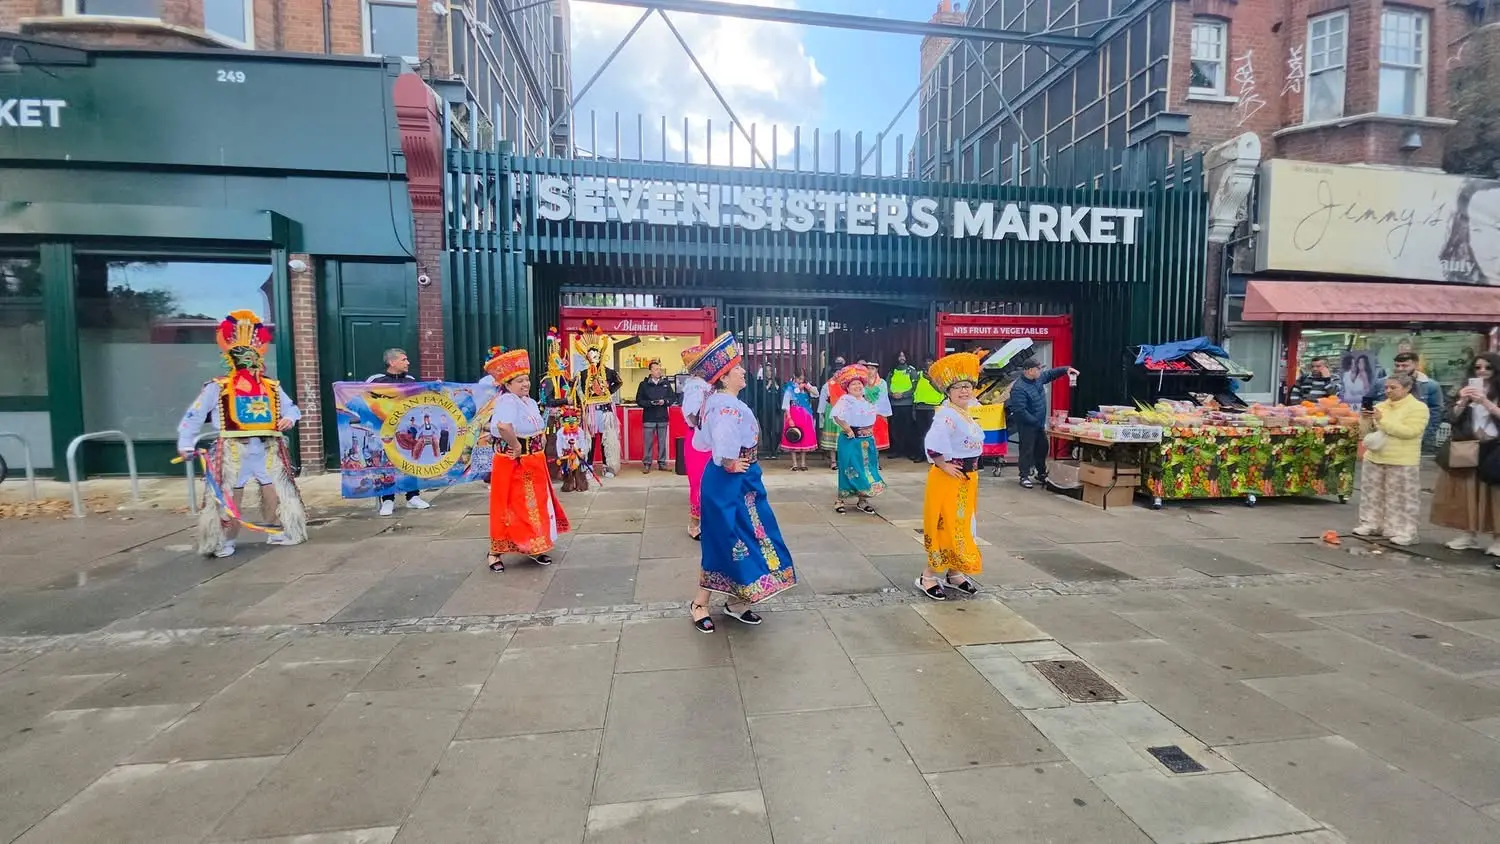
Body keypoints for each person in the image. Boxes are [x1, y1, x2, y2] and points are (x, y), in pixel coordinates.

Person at [686, 332, 797, 632]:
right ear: (723, 377)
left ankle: (737, 601)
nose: (743, 371)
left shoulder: (722, 401)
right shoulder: (725, 406)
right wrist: (728, 461)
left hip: (740, 479)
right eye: (737, 368)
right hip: (729, 480)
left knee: (748, 538)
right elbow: (719, 443)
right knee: (724, 540)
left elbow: (700, 441)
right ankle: (700, 603)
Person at [177, 309, 307, 558]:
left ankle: (275, 530)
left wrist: (289, 419)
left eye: (253, 359)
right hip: (233, 450)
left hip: (268, 447)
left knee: (274, 489)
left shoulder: (271, 387)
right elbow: (194, 416)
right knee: (229, 494)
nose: (250, 364)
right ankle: (225, 539)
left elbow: (291, 408)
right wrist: (185, 442)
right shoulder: (218, 387)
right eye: (244, 359)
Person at [485, 346, 570, 572]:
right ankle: (495, 552)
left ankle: (534, 546)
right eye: (519, 381)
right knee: (510, 505)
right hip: (514, 462)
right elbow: (504, 426)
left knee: (536, 504)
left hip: (533, 461)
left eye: (526, 379)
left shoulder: (528, 401)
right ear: (508, 384)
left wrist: (540, 439)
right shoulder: (507, 401)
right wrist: (515, 446)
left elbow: (535, 426)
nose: (525, 384)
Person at [916, 352, 986, 600]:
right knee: (945, 525)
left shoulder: (967, 411)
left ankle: (954, 573)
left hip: (968, 478)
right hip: (950, 477)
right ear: (948, 391)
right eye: (958, 388)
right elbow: (934, 441)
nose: (964, 391)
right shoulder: (946, 415)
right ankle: (928, 575)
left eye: (968, 387)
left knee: (964, 525)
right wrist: (942, 464)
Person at [1432, 353, 1500, 557]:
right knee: (1466, 492)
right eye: (1477, 368)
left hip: (1494, 446)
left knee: (1494, 495)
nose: (1482, 372)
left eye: (1487, 368)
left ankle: (1498, 538)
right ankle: (1467, 534)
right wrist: (1463, 400)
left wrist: (1486, 402)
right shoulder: (1464, 388)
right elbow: (1451, 417)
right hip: (1468, 445)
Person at [1354, 373, 1431, 546]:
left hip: (1402, 459)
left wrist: (1383, 420)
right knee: (1372, 494)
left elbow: (1410, 432)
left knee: (1402, 497)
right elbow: (1366, 432)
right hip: (1375, 455)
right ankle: (1371, 523)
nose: (1388, 391)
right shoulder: (1381, 406)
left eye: (1393, 387)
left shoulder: (1418, 408)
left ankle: (1405, 531)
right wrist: (1365, 419)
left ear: (1407, 388)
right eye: (1386, 387)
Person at [365, 348, 433, 515]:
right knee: (386, 464)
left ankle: (413, 497)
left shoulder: (411, 380)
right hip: (385, 430)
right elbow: (364, 399)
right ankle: (387, 500)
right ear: (392, 362)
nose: (408, 362)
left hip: (407, 431)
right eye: (404, 359)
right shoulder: (375, 380)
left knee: (410, 461)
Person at [1005, 359, 1077, 488]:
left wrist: (1066, 369)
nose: (1040, 371)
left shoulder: (1038, 379)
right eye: (1038, 369)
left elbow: (1050, 374)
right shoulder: (1019, 388)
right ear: (1030, 370)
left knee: (1042, 448)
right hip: (1027, 425)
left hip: (1038, 424)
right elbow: (1020, 410)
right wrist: (1034, 421)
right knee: (1027, 449)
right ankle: (1024, 476)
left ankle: (1041, 473)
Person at [830, 363, 886, 515]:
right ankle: (840, 499)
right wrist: (847, 429)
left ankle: (862, 500)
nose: (857, 386)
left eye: (859, 384)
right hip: (850, 440)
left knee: (867, 469)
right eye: (854, 384)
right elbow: (836, 414)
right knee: (849, 468)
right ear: (848, 387)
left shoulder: (866, 400)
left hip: (867, 440)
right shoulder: (845, 400)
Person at [573, 320, 622, 478]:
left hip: (606, 410)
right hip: (591, 411)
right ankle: (588, 467)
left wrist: (609, 392)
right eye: (591, 355)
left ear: (601, 355)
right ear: (587, 357)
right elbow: (577, 389)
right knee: (589, 440)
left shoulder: (609, 371)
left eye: (596, 354)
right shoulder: (583, 374)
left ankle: (608, 467)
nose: (594, 357)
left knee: (606, 440)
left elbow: (619, 382)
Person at [680, 344, 713, 540]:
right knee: (699, 481)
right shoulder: (695, 386)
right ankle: (694, 524)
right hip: (698, 437)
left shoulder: (706, 384)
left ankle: (707, 522)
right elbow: (692, 416)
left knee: (709, 481)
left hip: (706, 436)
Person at [1391, 352, 1443, 451]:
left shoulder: (1431, 386)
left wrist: (1425, 436)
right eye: (1397, 365)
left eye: (1405, 365)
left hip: (1420, 438)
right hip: (1392, 437)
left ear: (1415, 365)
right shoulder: (1384, 383)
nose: (1400, 369)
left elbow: (1436, 414)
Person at [634, 360, 675, 473]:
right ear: (651, 371)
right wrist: (650, 403)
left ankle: (662, 463)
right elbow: (639, 400)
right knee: (648, 442)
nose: (658, 371)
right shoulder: (643, 385)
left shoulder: (666, 384)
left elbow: (672, 398)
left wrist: (665, 401)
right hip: (649, 417)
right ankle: (647, 464)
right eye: (656, 369)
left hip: (662, 417)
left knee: (662, 442)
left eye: (659, 369)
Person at [779, 373, 819, 471]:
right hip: (794, 413)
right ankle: (794, 463)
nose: (800, 380)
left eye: (802, 378)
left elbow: (816, 394)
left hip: (805, 415)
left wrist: (808, 386)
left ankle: (803, 463)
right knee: (793, 437)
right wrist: (789, 417)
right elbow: (786, 404)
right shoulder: (790, 388)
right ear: (795, 377)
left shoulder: (806, 387)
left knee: (804, 438)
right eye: (799, 378)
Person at [817, 356, 848, 469]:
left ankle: (843, 460)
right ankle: (833, 461)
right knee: (832, 438)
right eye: (836, 372)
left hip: (844, 412)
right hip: (831, 411)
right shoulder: (828, 385)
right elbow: (822, 402)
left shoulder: (846, 385)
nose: (838, 374)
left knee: (843, 437)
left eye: (840, 372)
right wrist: (822, 416)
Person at [888, 351, 919, 459]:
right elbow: (887, 385)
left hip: (907, 404)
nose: (901, 358)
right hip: (894, 404)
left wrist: (904, 395)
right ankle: (897, 450)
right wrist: (891, 394)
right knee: (895, 429)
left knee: (908, 428)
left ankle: (909, 451)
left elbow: (915, 387)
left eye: (903, 355)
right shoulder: (892, 371)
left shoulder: (911, 370)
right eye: (899, 355)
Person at [911, 357, 943, 462]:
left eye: (930, 361)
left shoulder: (939, 375)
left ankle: (933, 456)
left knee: (933, 433)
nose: (927, 363)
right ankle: (921, 454)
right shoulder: (919, 374)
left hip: (933, 407)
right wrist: (914, 408)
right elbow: (915, 390)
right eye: (926, 361)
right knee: (921, 433)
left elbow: (941, 390)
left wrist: (930, 379)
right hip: (920, 407)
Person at [862, 361, 894, 451]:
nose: (870, 371)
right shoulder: (862, 382)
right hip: (864, 413)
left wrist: (872, 406)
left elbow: (883, 398)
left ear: (876, 370)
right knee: (865, 437)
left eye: (872, 369)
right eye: (868, 368)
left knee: (877, 438)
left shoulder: (881, 382)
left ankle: (875, 461)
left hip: (878, 413)